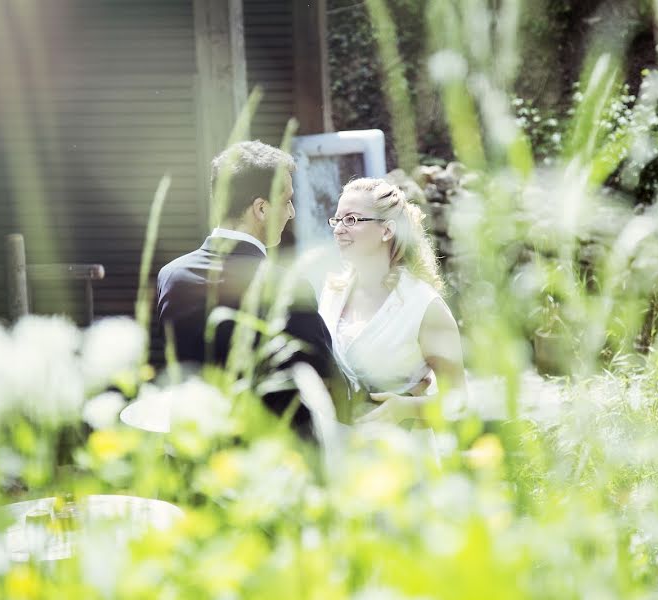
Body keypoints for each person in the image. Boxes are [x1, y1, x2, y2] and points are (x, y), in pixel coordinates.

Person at [156, 140, 341, 435]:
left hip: (197, 450)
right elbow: (332, 386)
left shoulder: (171, 276)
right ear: (261, 208)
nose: (291, 213)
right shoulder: (289, 286)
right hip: (274, 460)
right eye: (287, 201)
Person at [318, 178, 466, 426]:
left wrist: (407, 407)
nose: (338, 229)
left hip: (402, 454)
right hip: (336, 448)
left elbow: (459, 400)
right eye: (337, 219)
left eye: (351, 220)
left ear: (386, 230)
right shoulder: (332, 291)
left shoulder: (424, 306)